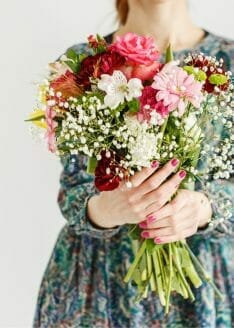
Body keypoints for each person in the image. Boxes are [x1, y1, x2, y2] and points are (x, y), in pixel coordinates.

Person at [33, 0, 234, 327]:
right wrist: (104, 210)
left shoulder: (229, 61)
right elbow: (72, 191)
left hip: (205, 286)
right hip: (98, 286)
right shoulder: (81, 65)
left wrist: (203, 207)